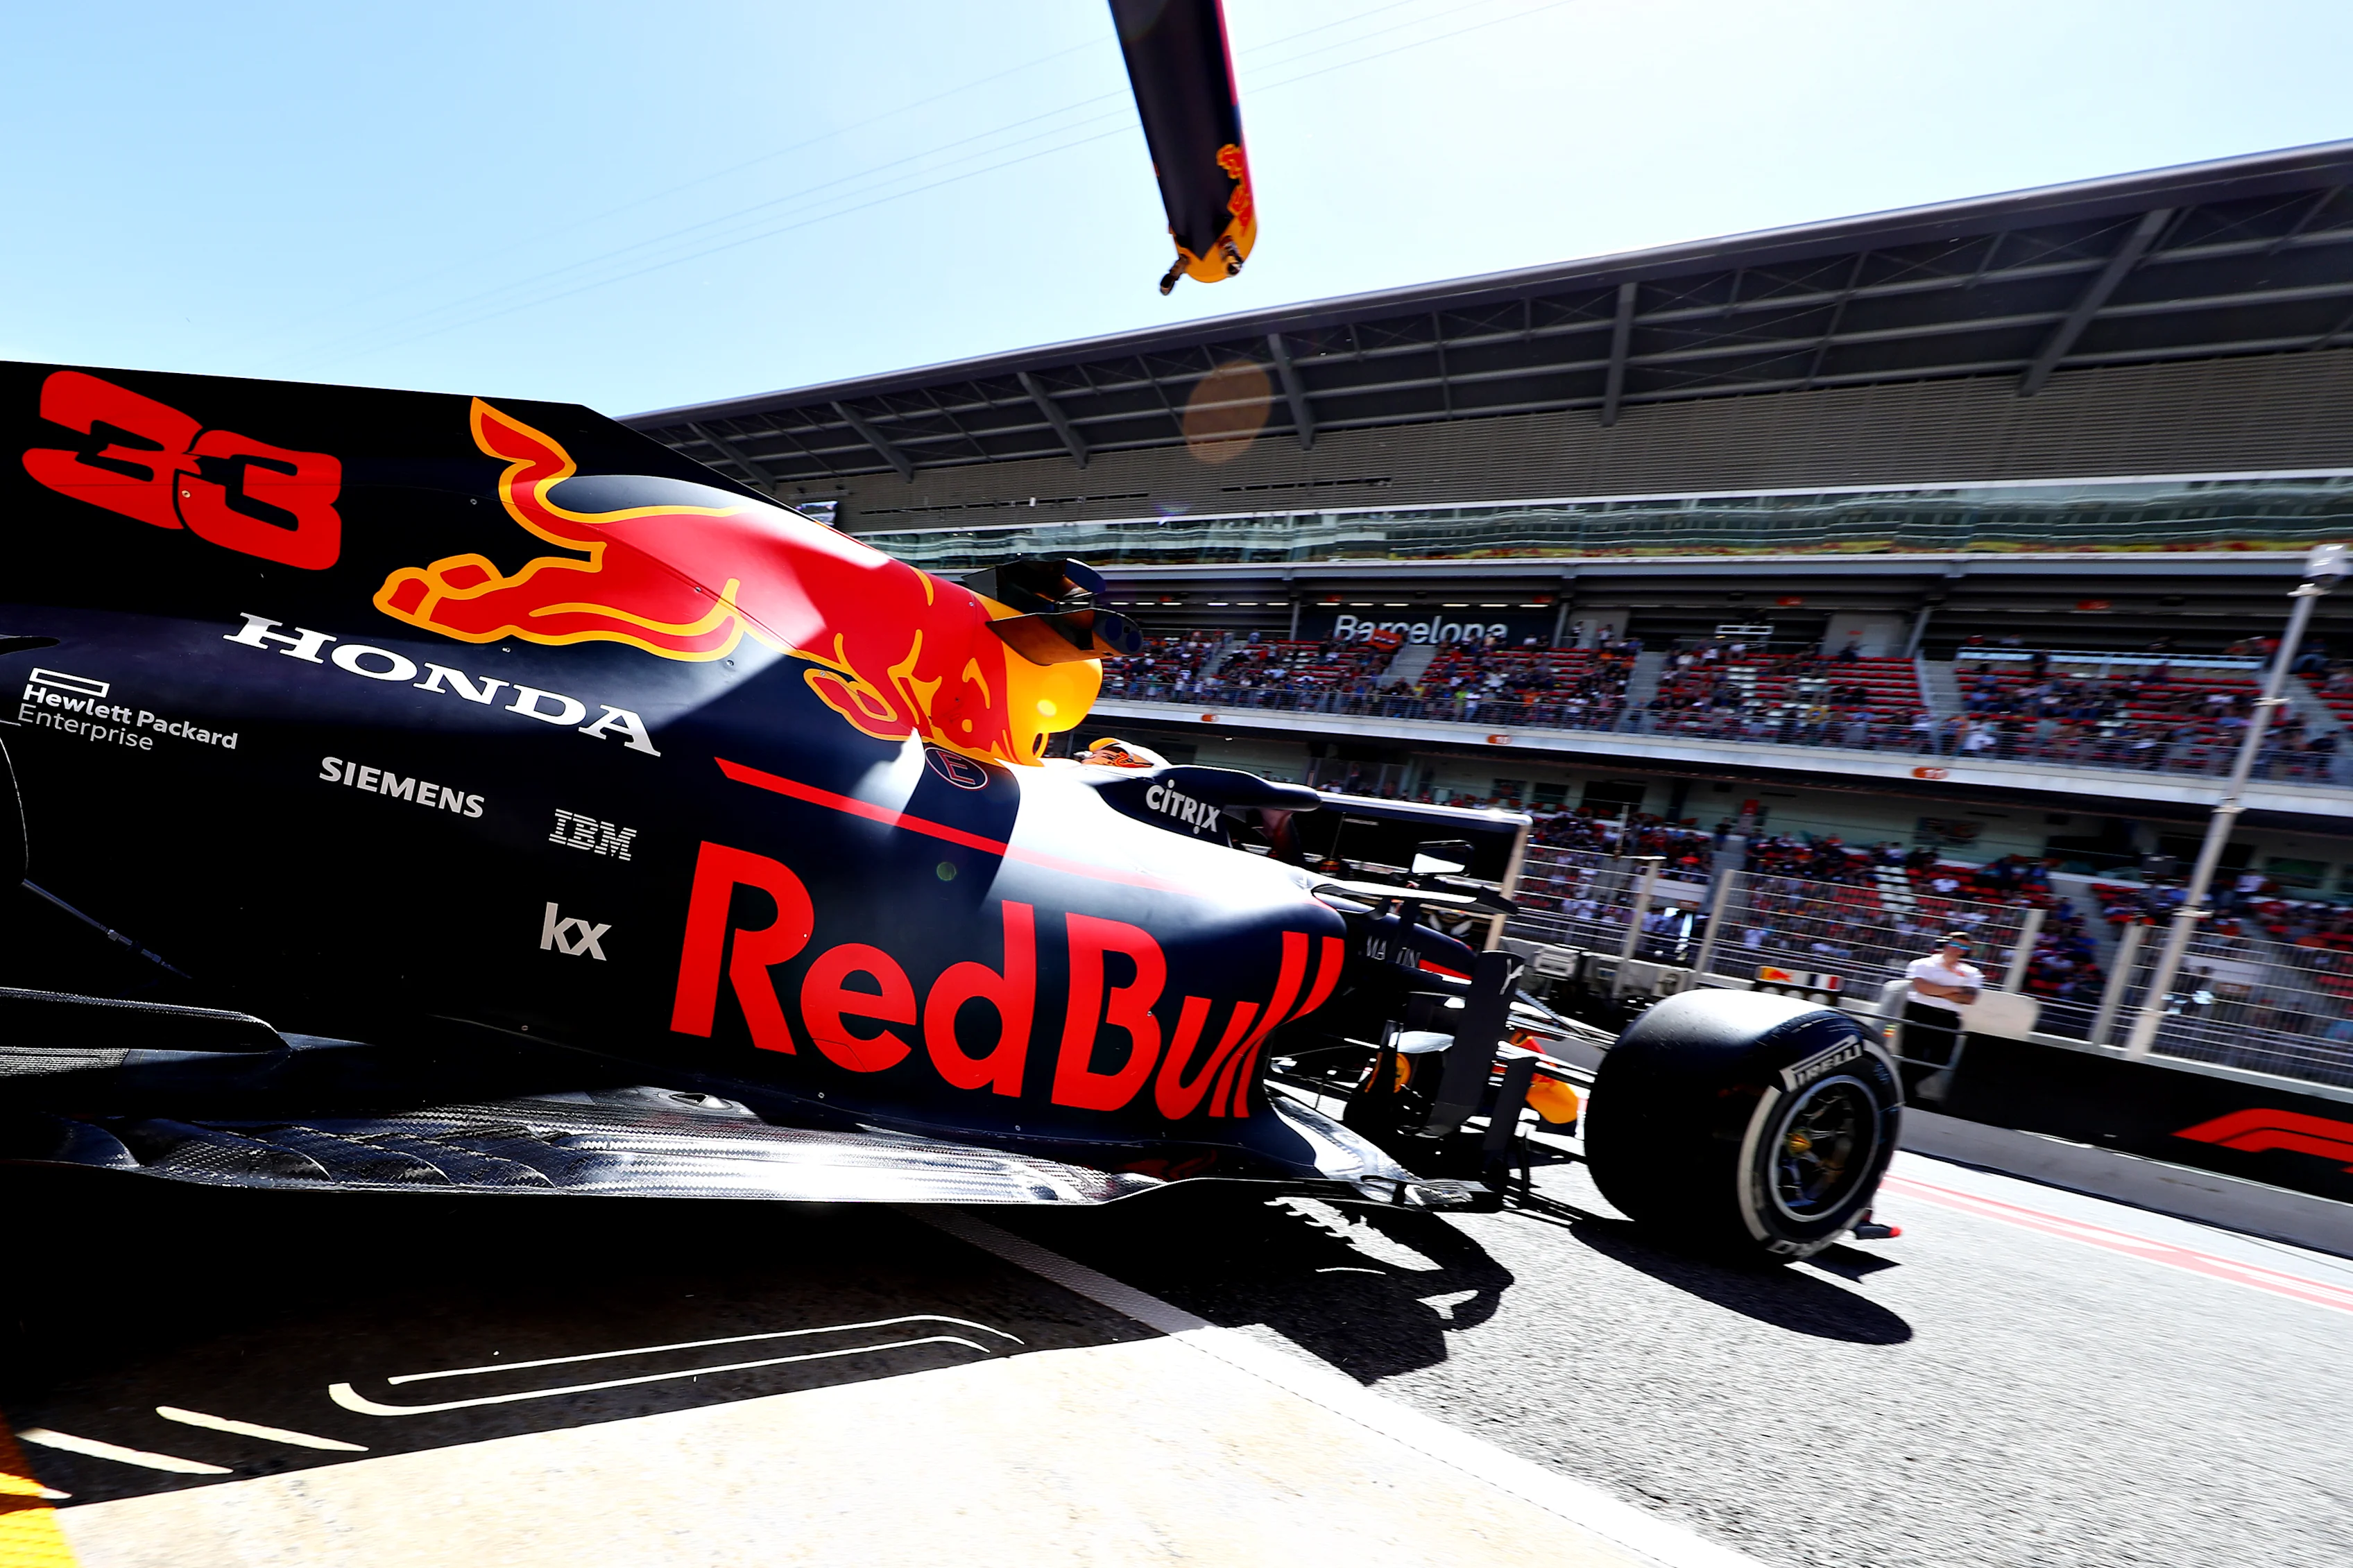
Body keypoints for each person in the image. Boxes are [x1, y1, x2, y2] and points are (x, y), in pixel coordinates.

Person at [1898, 933, 1983, 1104]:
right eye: (1955, 944)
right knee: (1911, 1056)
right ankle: (1905, 1093)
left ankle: (1902, 1088)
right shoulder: (1922, 964)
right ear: (1945, 944)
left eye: (1963, 947)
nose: (1958, 950)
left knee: (1941, 1059)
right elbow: (1922, 988)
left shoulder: (1972, 972)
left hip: (1948, 1017)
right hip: (1919, 1012)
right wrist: (1956, 989)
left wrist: (1936, 990)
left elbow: (1969, 998)